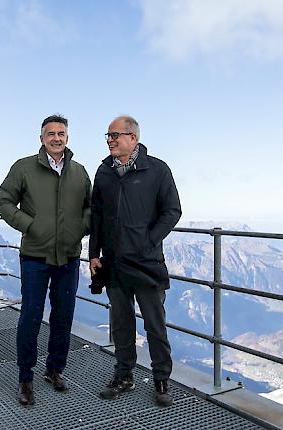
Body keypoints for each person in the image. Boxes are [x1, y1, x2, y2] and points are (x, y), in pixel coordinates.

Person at [0, 114, 91, 406]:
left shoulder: (80, 172)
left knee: (63, 316)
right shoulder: (23, 168)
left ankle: (55, 370)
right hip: (35, 256)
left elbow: (92, 208)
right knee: (31, 317)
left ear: (67, 138)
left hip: (69, 257)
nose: (56, 138)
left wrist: (80, 228)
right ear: (41, 138)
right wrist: (30, 225)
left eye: (61, 133)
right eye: (51, 133)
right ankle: (25, 377)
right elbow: (2, 201)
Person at [89, 115, 181, 407]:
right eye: (108, 136)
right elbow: (97, 216)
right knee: (121, 323)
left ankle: (161, 379)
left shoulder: (157, 170)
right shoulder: (104, 172)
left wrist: (148, 240)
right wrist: (93, 253)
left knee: (155, 324)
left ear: (134, 138)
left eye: (116, 135)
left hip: (147, 261)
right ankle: (123, 375)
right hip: (113, 262)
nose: (111, 141)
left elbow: (172, 210)